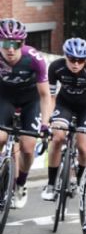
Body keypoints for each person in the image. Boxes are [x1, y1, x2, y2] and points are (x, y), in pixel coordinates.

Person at [41, 38, 86, 201]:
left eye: (81, 60)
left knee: (84, 148)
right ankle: (50, 184)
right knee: (57, 139)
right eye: (72, 59)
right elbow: (50, 96)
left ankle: (80, 181)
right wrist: (48, 119)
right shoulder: (56, 67)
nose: (76, 64)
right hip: (64, 105)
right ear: (65, 56)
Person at [0, 18, 53, 209]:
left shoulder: (34, 59)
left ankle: (21, 183)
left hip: (30, 101)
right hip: (4, 98)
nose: (10, 49)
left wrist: (46, 124)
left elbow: (45, 95)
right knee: (0, 137)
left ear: (22, 43)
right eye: (5, 43)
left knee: (28, 147)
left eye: (16, 44)